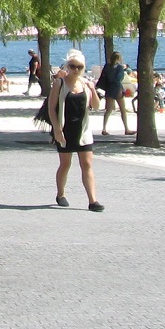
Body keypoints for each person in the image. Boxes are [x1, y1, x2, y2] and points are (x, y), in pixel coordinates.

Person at [49, 48, 104, 211]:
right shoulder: (60, 83)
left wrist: (93, 89)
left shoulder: (85, 84)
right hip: (65, 128)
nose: (76, 70)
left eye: (79, 67)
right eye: (72, 66)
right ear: (67, 66)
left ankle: (93, 200)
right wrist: (57, 129)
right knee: (65, 164)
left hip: (83, 129)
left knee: (87, 163)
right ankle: (60, 194)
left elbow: (96, 106)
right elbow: (52, 108)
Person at [98, 50, 133, 135]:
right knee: (122, 110)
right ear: (118, 58)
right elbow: (119, 79)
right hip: (117, 89)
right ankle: (126, 129)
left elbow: (104, 77)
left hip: (109, 89)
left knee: (108, 110)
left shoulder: (107, 67)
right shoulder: (119, 67)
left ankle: (104, 128)